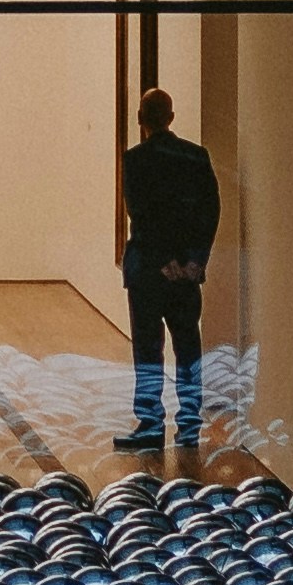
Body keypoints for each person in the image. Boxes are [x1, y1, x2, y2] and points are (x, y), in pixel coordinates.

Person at [114, 80, 221, 458]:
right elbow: (209, 211)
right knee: (188, 344)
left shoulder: (135, 159)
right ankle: (189, 424)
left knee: (148, 348)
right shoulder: (196, 156)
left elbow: (142, 214)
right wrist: (193, 259)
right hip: (186, 274)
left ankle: (150, 423)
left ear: (141, 119)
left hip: (148, 270)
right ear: (171, 117)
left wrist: (165, 261)